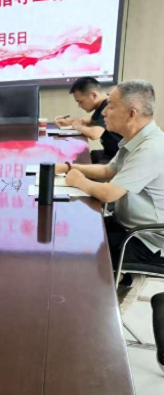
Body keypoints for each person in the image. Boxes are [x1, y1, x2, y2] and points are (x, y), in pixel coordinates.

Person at [54, 80, 164, 271]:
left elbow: (109, 193)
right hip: (126, 223)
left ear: (131, 114)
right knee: (75, 229)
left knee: (79, 251)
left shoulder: (150, 148)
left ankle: (117, 281)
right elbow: (107, 171)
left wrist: (79, 180)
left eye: (111, 106)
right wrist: (67, 167)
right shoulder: (135, 139)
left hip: (147, 240)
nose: (104, 112)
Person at [55, 77, 122, 164]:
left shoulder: (108, 106)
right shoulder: (104, 102)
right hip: (110, 154)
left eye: (80, 102)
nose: (79, 106)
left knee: (76, 163)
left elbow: (95, 134)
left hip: (119, 159)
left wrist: (79, 126)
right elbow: (93, 120)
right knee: (80, 158)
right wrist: (70, 121)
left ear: (94, 95)